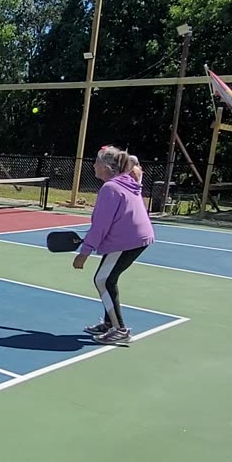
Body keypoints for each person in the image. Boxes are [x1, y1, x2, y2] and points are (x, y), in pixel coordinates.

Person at [74, 146, 155, 345]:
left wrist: (83, 254)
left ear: (106, 167)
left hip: (128, 240)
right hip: (132, 238)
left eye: (97, 162)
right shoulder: (126, 182)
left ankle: (120, 329)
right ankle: (110, 323)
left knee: (102, 280)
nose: (93, 165)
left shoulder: (110, 188)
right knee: (108, 278)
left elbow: (100, 226)